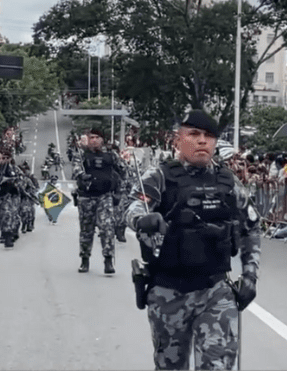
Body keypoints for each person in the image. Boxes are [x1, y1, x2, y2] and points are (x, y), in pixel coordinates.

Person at [126, 109, 261, 370]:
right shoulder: (161, 176)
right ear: (178, 140)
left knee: (219, 366)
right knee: (170, 366)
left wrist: (251, 275)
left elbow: (251, 227)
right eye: (194, 134)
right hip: (169, 292)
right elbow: (134, 206)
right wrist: (143, 219)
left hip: (215, 291)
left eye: (209, 136)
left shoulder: (228, 181)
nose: (202, 141)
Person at [73, 128, 118, 274]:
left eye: (97, 137)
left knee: (107, 227)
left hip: (105, 196)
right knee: (86, 230)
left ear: (102, 140)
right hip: (86, 197)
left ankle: (108, 260)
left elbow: (123, 170)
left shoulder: (110, 155)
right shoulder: (81, 155)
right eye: (91, 137)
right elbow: (76, 169)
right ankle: (85, 260)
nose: (93, 140)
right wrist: (81, 175)